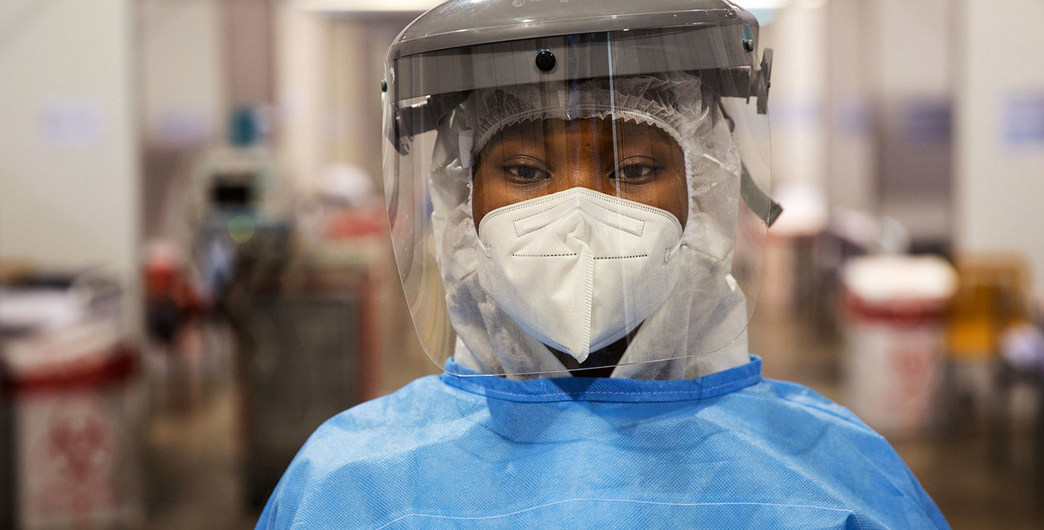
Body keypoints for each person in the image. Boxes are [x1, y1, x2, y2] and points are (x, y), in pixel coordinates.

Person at [258, 0, 949, 527]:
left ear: (704, 198)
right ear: (461, 205)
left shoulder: (838, 483)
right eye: (526, 172)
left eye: (634, 168)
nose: (579, 217)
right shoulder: (346, 486)